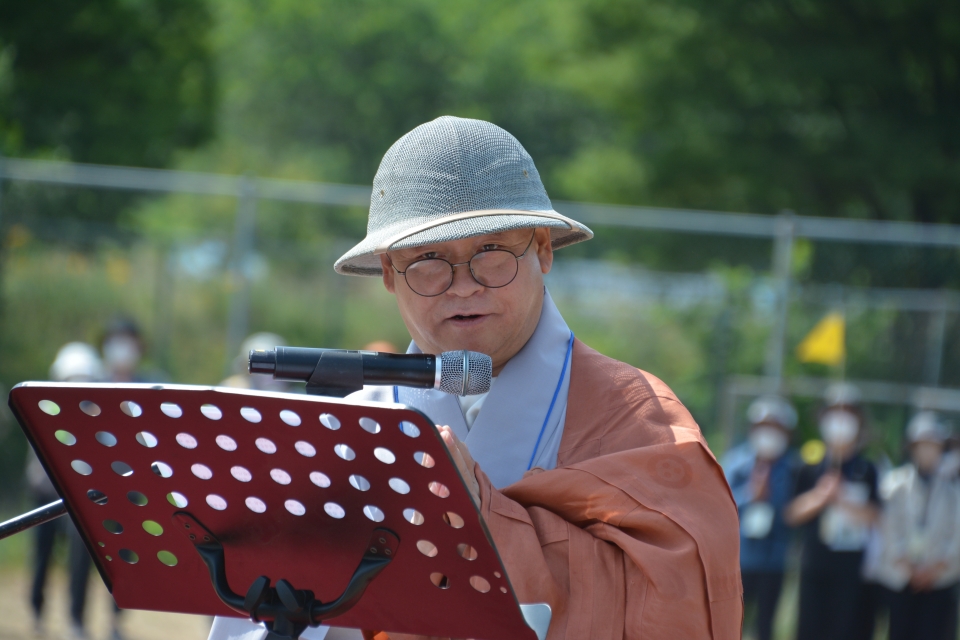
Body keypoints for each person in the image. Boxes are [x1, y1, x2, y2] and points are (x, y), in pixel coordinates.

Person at [209, 116, 742, 640]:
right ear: (391, 275)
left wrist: (478, 514)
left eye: (491, 253)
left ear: (543, 250)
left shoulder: (636, 416)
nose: (463, 287)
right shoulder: (355, 425)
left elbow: (681, 600)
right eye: (429, 260)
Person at [785, 383, 880, 640]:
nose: (840, 421)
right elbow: (792, 514)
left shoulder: (867, 468)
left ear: (858, 421)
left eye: (847, 413)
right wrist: (821, 496)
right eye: (834, 413)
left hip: (852, 568)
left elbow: (876, 516)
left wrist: (843, 499)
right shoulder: (809, 467)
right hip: (814, 564)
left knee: (847, 629)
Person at [27, 343, 104, 640]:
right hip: (46, 496)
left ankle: (76, 619)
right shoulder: (44, 410)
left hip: (79, 500)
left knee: (80, 558)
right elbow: (36, 468)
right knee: (41, 555)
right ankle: (36, 609)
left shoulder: (96, 417)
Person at [873, 411, 960, 640]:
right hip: (901, 579)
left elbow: (956, 534)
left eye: (933, 444)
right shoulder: (895, 484)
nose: (927, 450)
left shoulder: (953, 489)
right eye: (922, 444)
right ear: (911, 447)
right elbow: (890, 528)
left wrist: (935, 568)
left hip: (940, 580)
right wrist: (908, 567)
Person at [722, 395, 799, 640]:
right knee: (731, 622)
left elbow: (793, 511)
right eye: (764, 428)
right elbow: (722, 505)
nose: (769, 434)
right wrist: (751, 496)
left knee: (765, 624)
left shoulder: (794, 467)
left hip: (774, 560)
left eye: (775, 429)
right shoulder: (735, 462)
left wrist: (771, 499)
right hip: (738, 559)